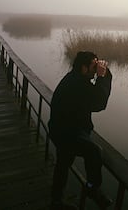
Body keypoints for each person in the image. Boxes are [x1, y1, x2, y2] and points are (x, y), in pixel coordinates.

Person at [48, 51, 113, 210]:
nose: (96, 68)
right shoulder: (78, 85)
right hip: (67, 133)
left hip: (60, 129)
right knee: (94, 152)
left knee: (63, 163)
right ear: (84, 68)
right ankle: (92, 187)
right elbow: (99, 102)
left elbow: (92, 96)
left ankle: (56, 201)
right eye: (93, 65)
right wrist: (104, 77)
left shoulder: (73, 79)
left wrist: (102, 74)